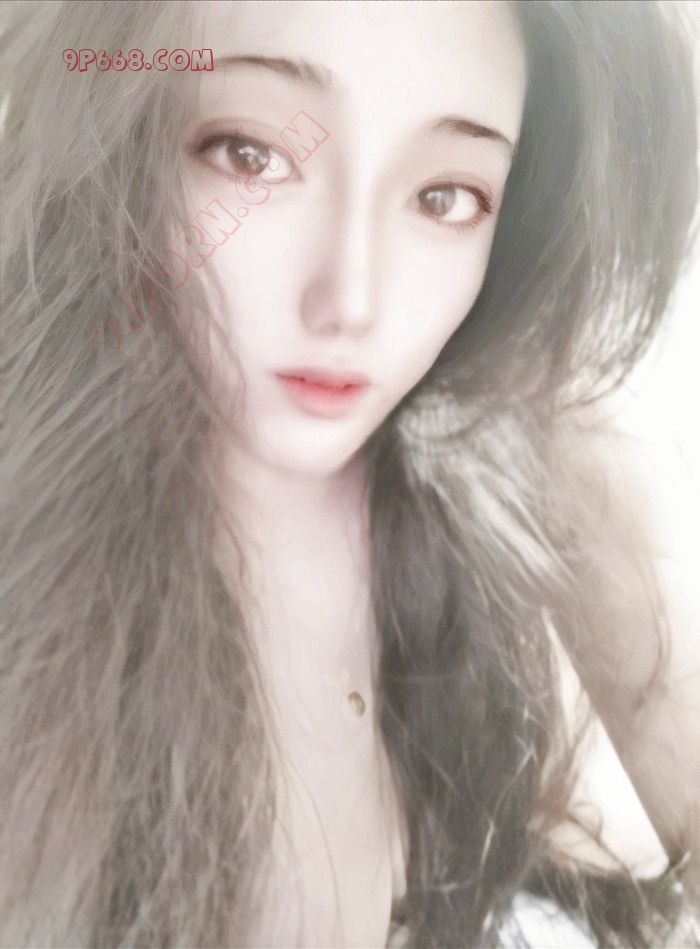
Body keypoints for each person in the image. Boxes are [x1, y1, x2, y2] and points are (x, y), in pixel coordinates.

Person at [0, 0, 698, 946]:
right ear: (113, 136)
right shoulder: (38, 584)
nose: (352, 300)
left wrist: (573, 442)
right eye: (252, 155)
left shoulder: (470, 486)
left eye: (445, 197)